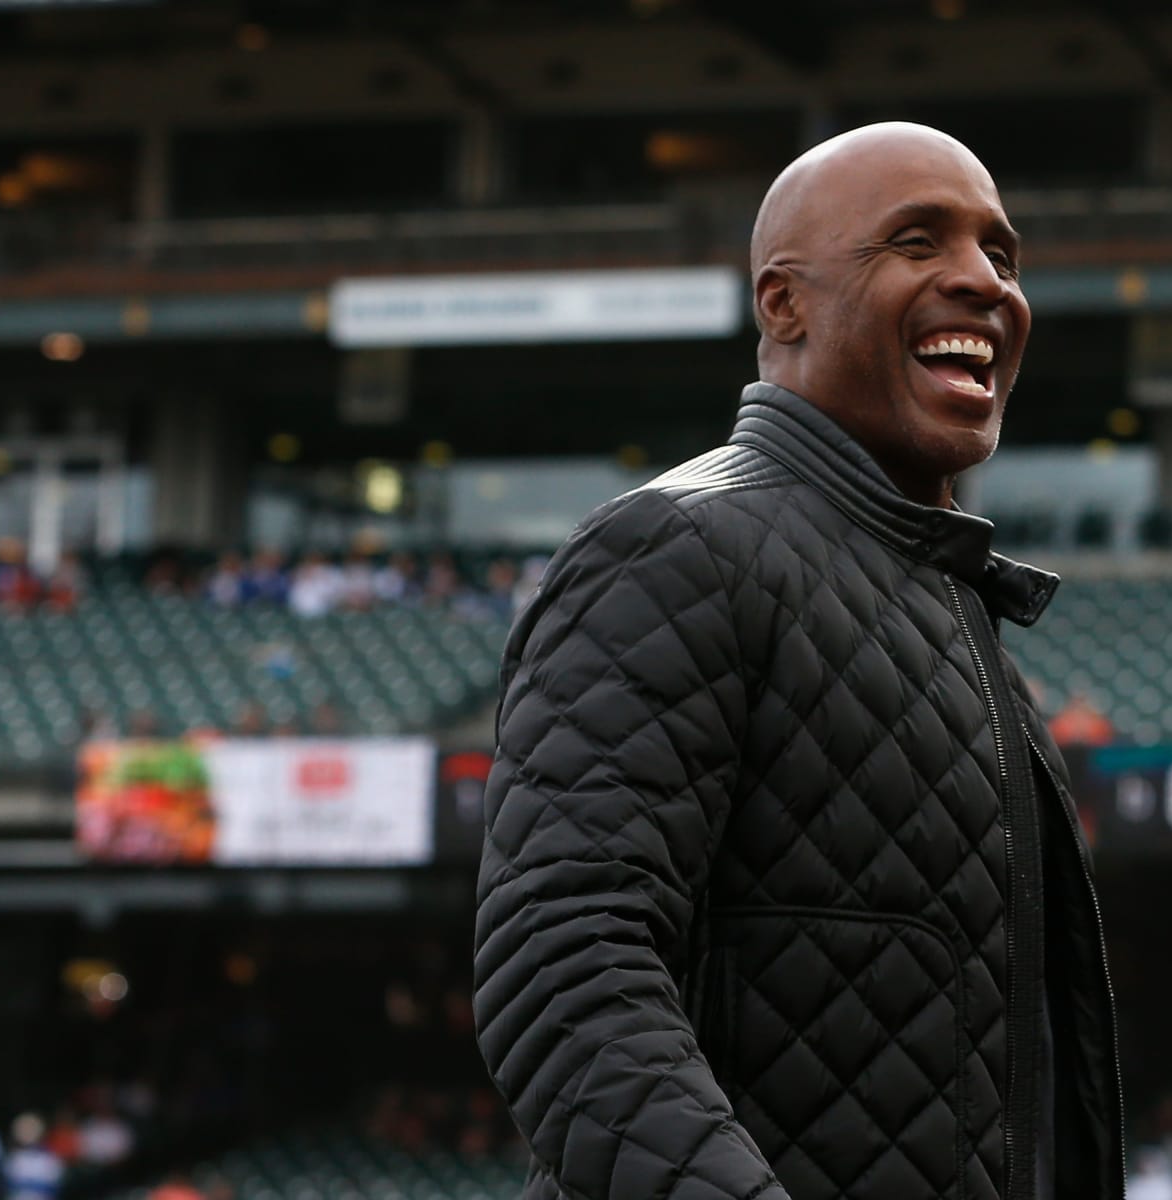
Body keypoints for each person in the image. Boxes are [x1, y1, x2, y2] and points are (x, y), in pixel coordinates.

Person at [474, 122, 1123, 1200]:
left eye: (1002, 256)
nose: (982, 282)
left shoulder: (952, 607)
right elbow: (562, 971)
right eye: (918, 242)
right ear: (786, 303)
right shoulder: (675, 546)